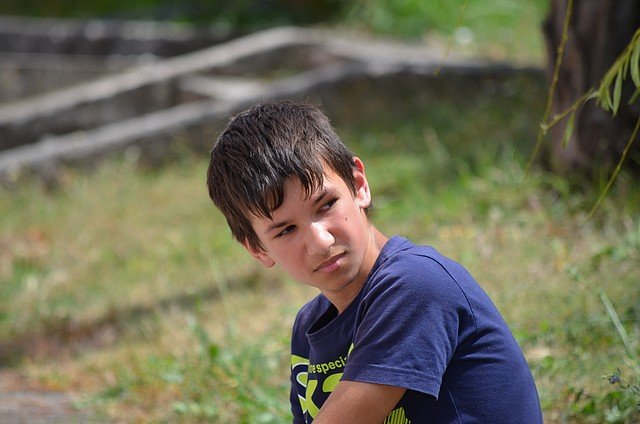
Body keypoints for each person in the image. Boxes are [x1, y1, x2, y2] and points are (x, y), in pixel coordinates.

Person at [206, 100, 543, 423]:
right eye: (286, 230)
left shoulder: (416, 285)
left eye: (326, 205)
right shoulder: (308, 328)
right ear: (258, 249)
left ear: (358, 185)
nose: (321, 242)